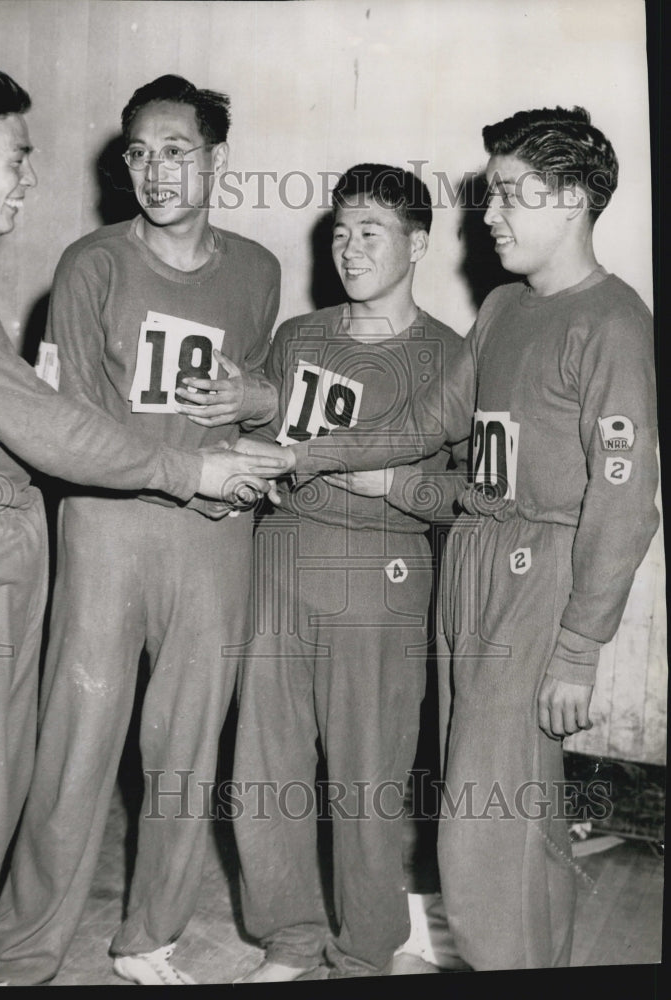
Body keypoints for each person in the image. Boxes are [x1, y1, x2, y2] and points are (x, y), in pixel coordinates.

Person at [0, 62, 282, 988]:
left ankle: (146, 936)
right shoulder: (58, 268)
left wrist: (253, 411)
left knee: (105, 763)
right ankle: (6, 953)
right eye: (137, 152)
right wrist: (188, 469)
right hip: (64, 531)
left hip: (157, 530)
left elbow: (255, 394)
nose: (29, 176)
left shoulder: (255, 272)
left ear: (215, 160)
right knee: (13, 777)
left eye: (176, 151)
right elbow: (58, 419)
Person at [240, 106, 659, 970]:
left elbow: (625, 506)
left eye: (508, 194)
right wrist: (309, 451)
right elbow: (426, 419)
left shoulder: (612, 322)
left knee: (478, 823)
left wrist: (578, 647)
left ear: (573, 198)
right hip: (468, 558)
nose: (492, 214)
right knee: (506, 812)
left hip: (537, 569)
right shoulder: (504, 308)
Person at [231, 164, 467, 981]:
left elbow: (474, 493)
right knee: (266, 762)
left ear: (418, 243)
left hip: (383, 572)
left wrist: (399, 485)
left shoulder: (452, 355)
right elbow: (265, 435)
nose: (349, 247)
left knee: (367, 774)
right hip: (283, 553)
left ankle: (365, 950)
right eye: (338, 230)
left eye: (370, 231)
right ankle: (287, 937)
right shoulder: (299, 336)